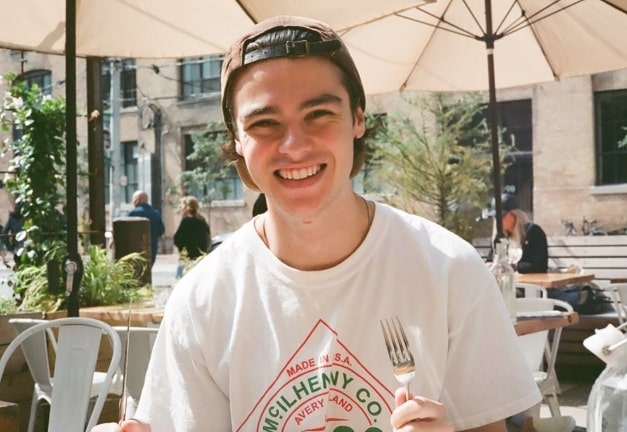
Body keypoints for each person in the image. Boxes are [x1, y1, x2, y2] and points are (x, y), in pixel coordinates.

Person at [93, 15, 539, 432]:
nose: (294, 145)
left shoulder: (449, 269)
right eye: (265, 123)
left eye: (318, 114)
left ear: (358, 118)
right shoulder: (201, 301)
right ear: (236, 140)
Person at [487, 193, 549, 274]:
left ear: (515, 214)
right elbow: (491, 260)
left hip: (530, 284)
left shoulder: (533, 232)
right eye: (495, 217)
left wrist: (510, 267)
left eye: (502, 216)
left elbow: (540, 266)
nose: (498, 220)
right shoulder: (499, 238)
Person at [173, 195, 211, 278]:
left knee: (180, 279)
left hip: (187, 256)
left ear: (186, 207)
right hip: (200, 256)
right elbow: (207, 238)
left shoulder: (186, 221)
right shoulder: (202, 221)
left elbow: (178, 239)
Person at [127, 191, 165, 264]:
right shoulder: (155, 213)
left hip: (135, 249)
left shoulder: (132, 213)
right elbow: (161, 231)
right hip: (152, 247)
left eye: (133, 199)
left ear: (137, 200)